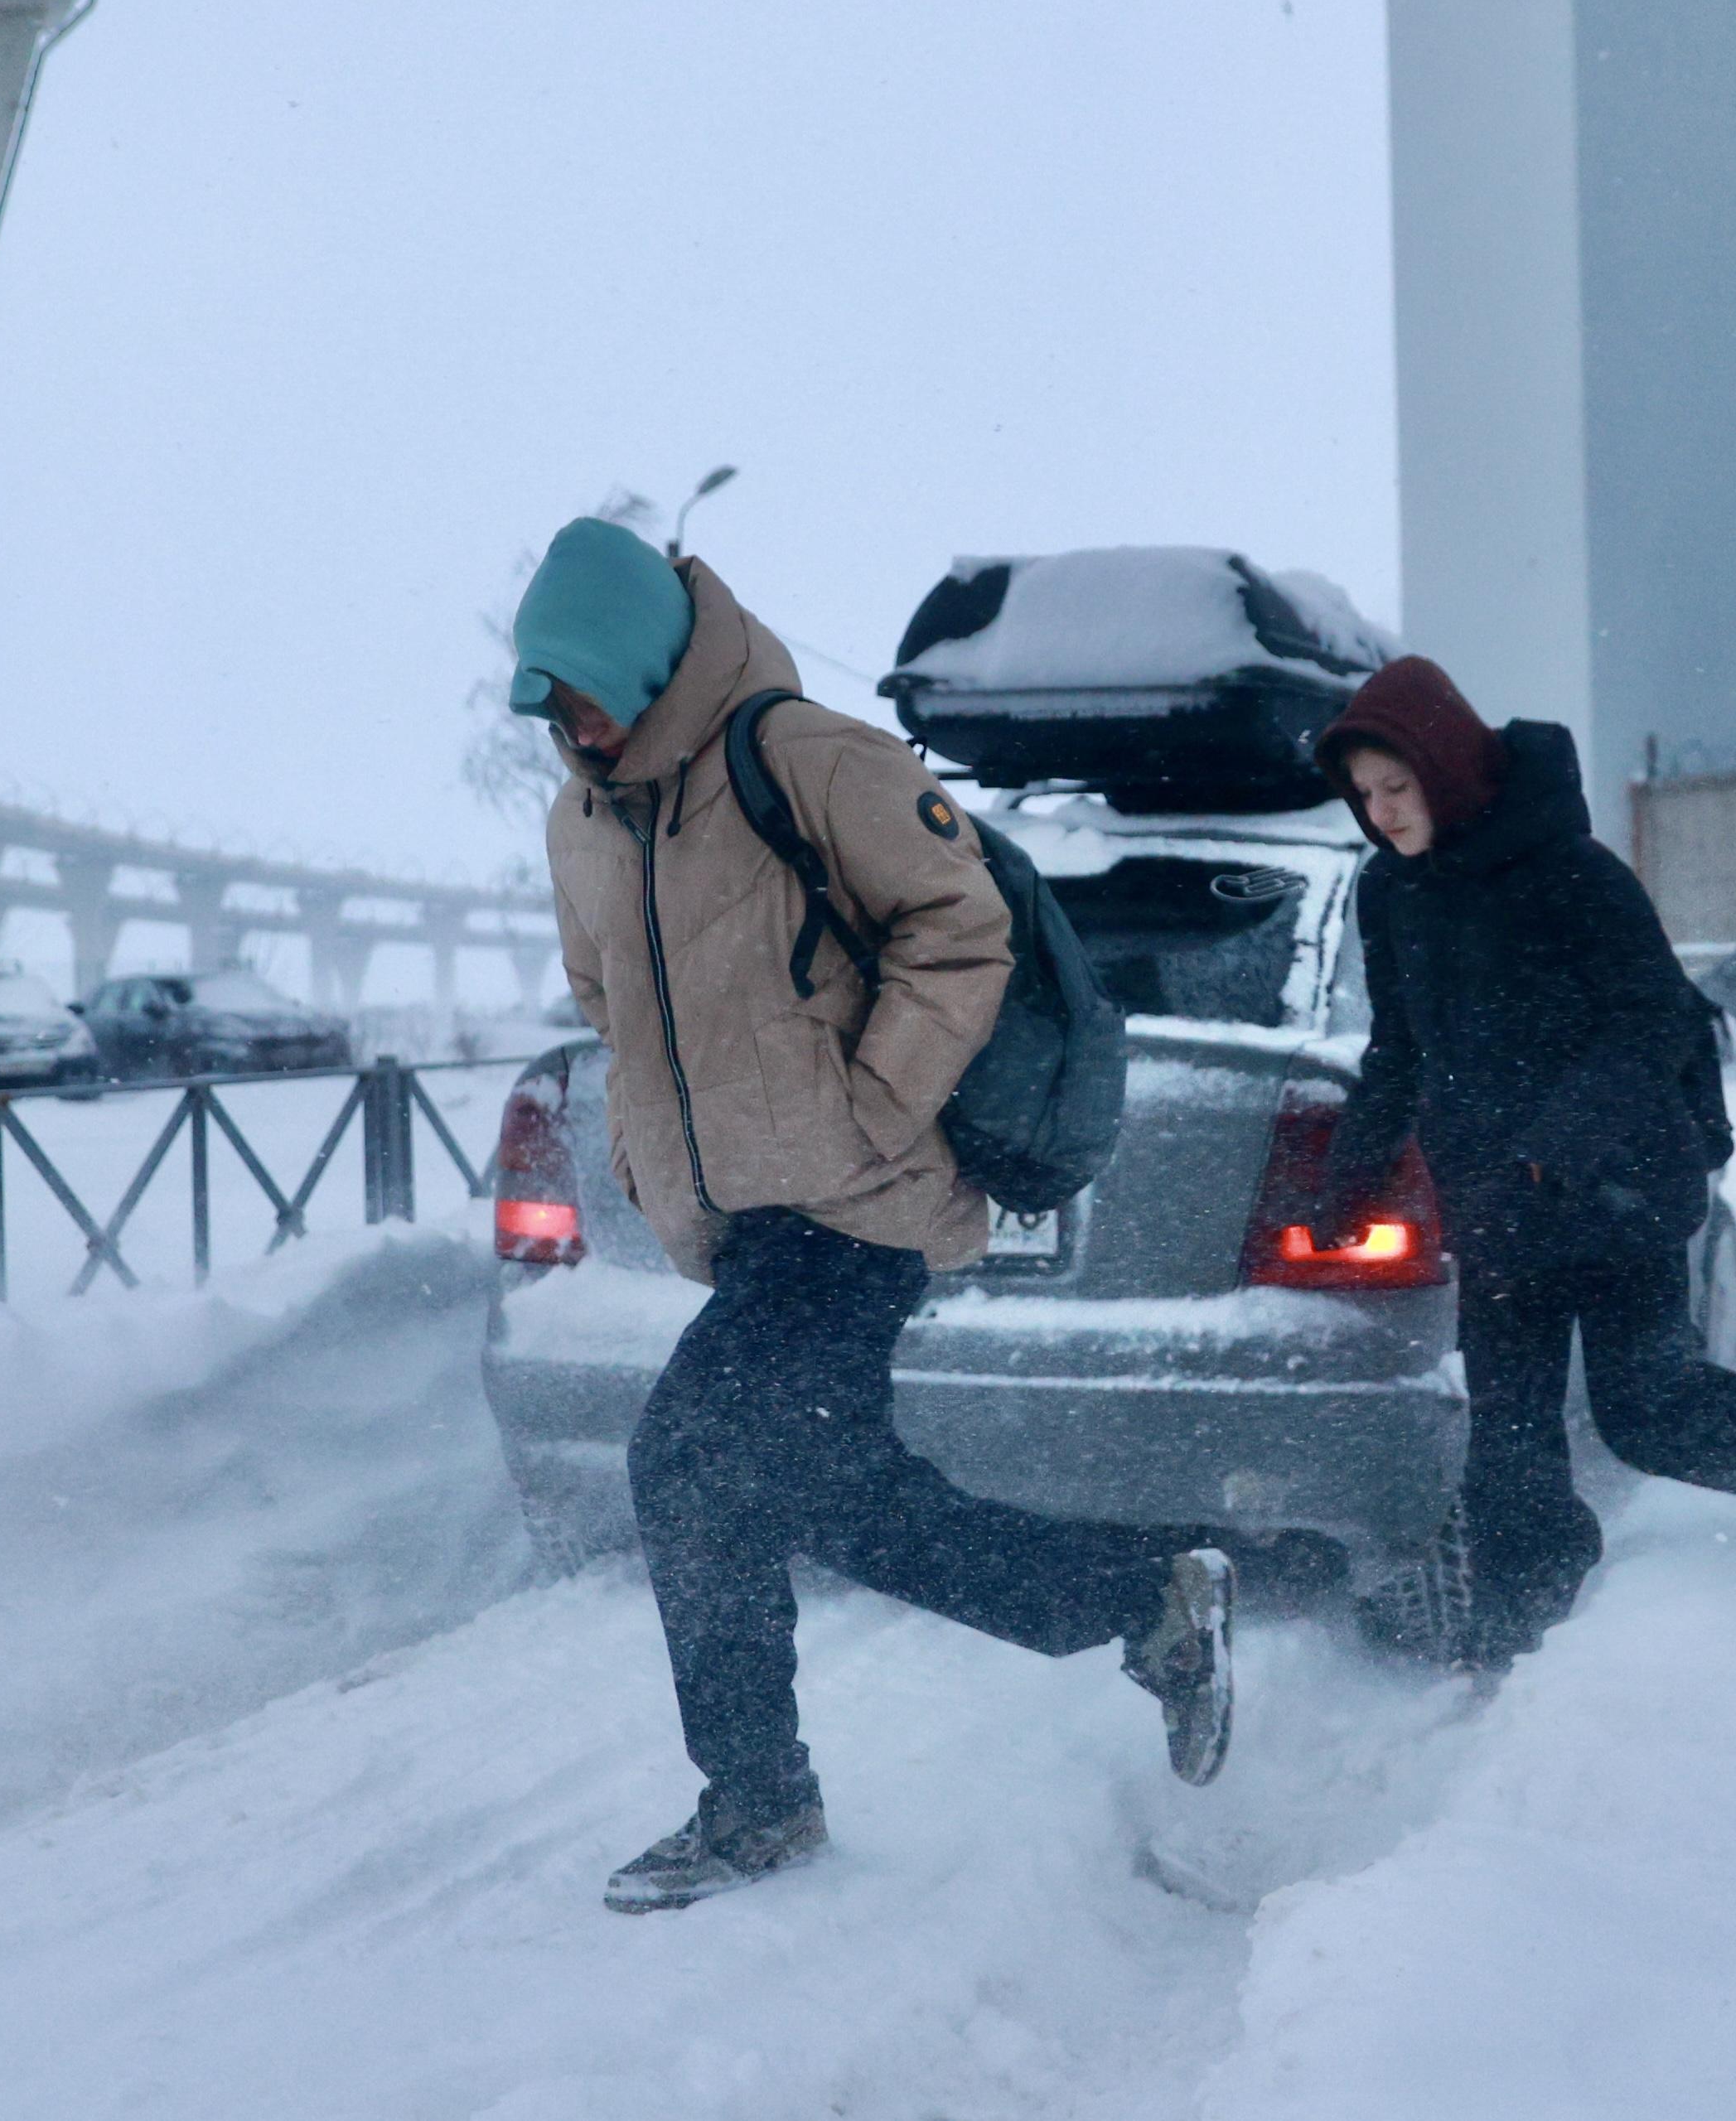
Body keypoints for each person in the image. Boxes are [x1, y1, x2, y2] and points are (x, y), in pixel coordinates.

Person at [508, 517, 1235, 1913]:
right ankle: (1148, 1603)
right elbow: (611, 999)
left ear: (641, 660)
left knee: (687, 1465)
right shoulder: (582, 820)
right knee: (838, 1496)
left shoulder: (804, 758)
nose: (577, 727)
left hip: (857, 1202)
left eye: (587, 691)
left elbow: (960, 928)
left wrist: (871, 1105)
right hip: (750, 1217)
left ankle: (760, 1803)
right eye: (553, 705)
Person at [1322, 656, 1736, 1670]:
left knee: (1650, 1412)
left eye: (1396, 790)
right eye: (1365, 798)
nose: (1380, 816)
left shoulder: (1573, 873)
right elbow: (1399, 1047)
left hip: (1616, 1186)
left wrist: (1557, 1149)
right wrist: (1352, 1170)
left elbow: (1651, 1024)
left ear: (1446, 769)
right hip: (1496, 1205)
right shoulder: (1392, 893)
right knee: (1509, 1445)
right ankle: (1521, 1634)